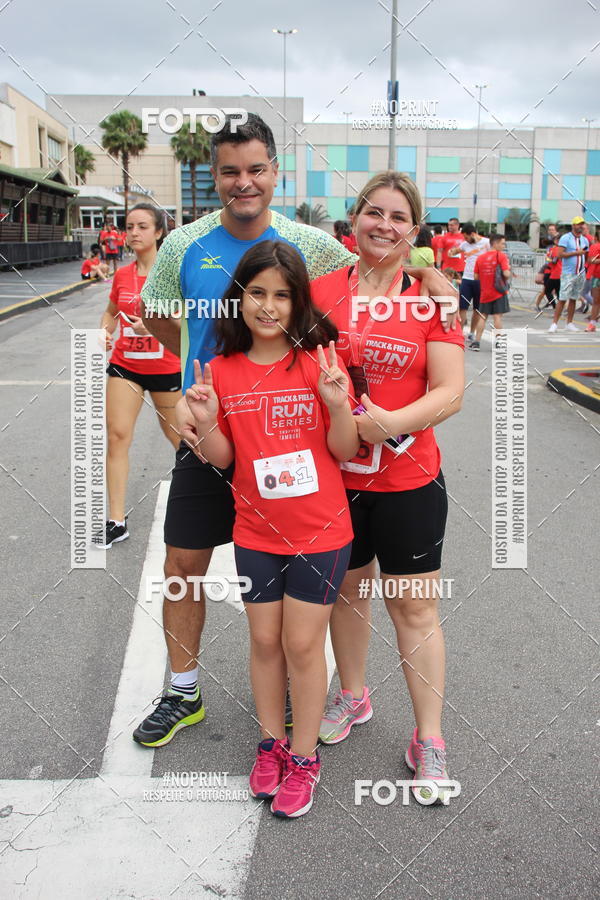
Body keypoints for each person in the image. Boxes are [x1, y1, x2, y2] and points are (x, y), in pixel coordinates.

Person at [136, 113, 457, 749]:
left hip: (292, 444)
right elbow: (157, 315)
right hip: (214, 431)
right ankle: (182, 690)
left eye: (256, 169)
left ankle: (299, 696)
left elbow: (382, 255)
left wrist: (431, 274)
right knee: (182, 564)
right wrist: (202, 369)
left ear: (275, 173)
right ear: (214, 175)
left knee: (301, 583)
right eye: (229, 170)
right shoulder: (181, 245)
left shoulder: (312, 247)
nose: (243, 181)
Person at [183, 241, 357, 818]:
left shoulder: (319, 363)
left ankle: (305, 758)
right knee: (263, 641)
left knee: (302, 644)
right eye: (257, 292)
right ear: (240, 299)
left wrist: (336, 407)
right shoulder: (224, 371)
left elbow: (345, 449)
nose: (268, 306)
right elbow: (224, 456)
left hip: (321, 534)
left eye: (282, 295)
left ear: (297, 302)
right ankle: (271, 745)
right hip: (255, 533)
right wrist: (206, 424)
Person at [311, 172, 465, 805]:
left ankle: (429, 739)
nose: (384, 224)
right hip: (335, 478)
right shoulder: (320, 290)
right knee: (348, 594)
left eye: (399, 217)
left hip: (409, 478)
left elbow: (450, 392)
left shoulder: (435, 300)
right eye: (374, 212)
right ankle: (353, 696)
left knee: (414, 607)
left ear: (415, 230)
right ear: (355, 219)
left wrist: (387, 425)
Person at [98, 204, 181, 549]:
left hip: (166, 368)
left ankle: (215, 500)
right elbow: (110, 311)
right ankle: (116, 520)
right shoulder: (122, 275)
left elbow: (190, 321)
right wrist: (105, 330)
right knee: (117, 436)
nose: (133, 232)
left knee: (184, 443)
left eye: (142, 226)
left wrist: (157, 325)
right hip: (125, 365)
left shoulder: (174, 275)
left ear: (159, 232)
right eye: (129, 226)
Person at [548, 216, 590, 332]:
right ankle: (554, 324)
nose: (580, 226)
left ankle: (569, 323)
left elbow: (586, 255)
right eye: (578, 224)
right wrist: (577, 253)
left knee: (574, 298)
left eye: (582, 224)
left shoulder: (584, 240)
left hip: (580, 273)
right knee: (562, 299)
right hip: (568, 273)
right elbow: (560, 254)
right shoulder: (566, 238)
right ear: (573, 226)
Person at [449, 223, 490, 340]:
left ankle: (472, 332)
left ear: (472, 234)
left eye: (466, 237)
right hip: (466, 279)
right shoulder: (465, 244)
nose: (465, 240)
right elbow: (456, 251)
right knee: (462, 307)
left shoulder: (486, 242)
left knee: (477, 308)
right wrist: (451, 252)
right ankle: (459, 333)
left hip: (480, 280)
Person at [471, 233, 512, 348]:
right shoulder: (501, 256)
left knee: (483, 316)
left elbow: (476, 277)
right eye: (502, 243)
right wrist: (508, 273)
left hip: (485, 292)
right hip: (498, 292)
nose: (504, 246)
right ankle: (498, 342)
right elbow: (506, 273)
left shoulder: (480, 258)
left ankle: (477, 342)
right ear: (495, 243)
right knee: (497, 317)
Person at [585, 236, 600, 332]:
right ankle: (592, 324)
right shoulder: (595, 247)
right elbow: (591, 260)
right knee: (596, 301)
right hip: (597, 277)